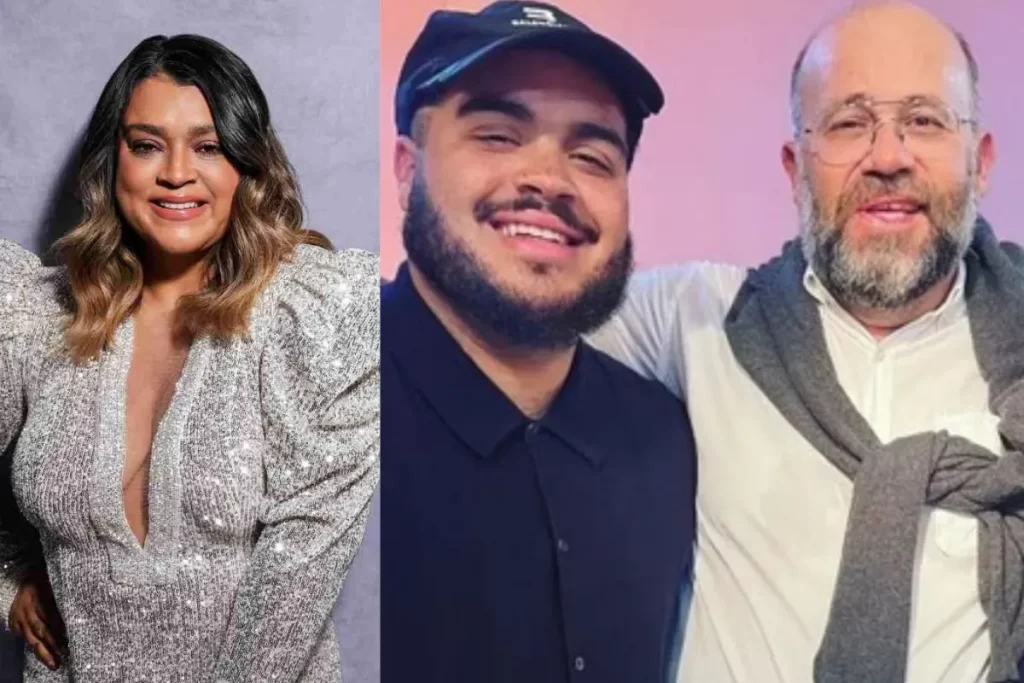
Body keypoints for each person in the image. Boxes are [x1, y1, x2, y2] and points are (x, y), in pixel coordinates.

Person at [588, 2, 1024, 681]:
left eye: (924, 120)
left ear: (981, 159)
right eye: (849, 123)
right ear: (795, 167)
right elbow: (503, 314)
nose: (888, 156)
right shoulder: (696, 320)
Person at [0, 34, 379, 682]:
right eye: (147, 144)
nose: (176, 171)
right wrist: (9, 581)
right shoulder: (36, 323)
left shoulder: (318, 319)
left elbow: (293, 595)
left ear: (247, 164)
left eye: (207, 146)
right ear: (110, 162)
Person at [381, 2, 697, 682]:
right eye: (497, 135)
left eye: (590, 155)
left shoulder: (663, 439)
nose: (550, 179)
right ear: (407, 171)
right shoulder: (304, 403)